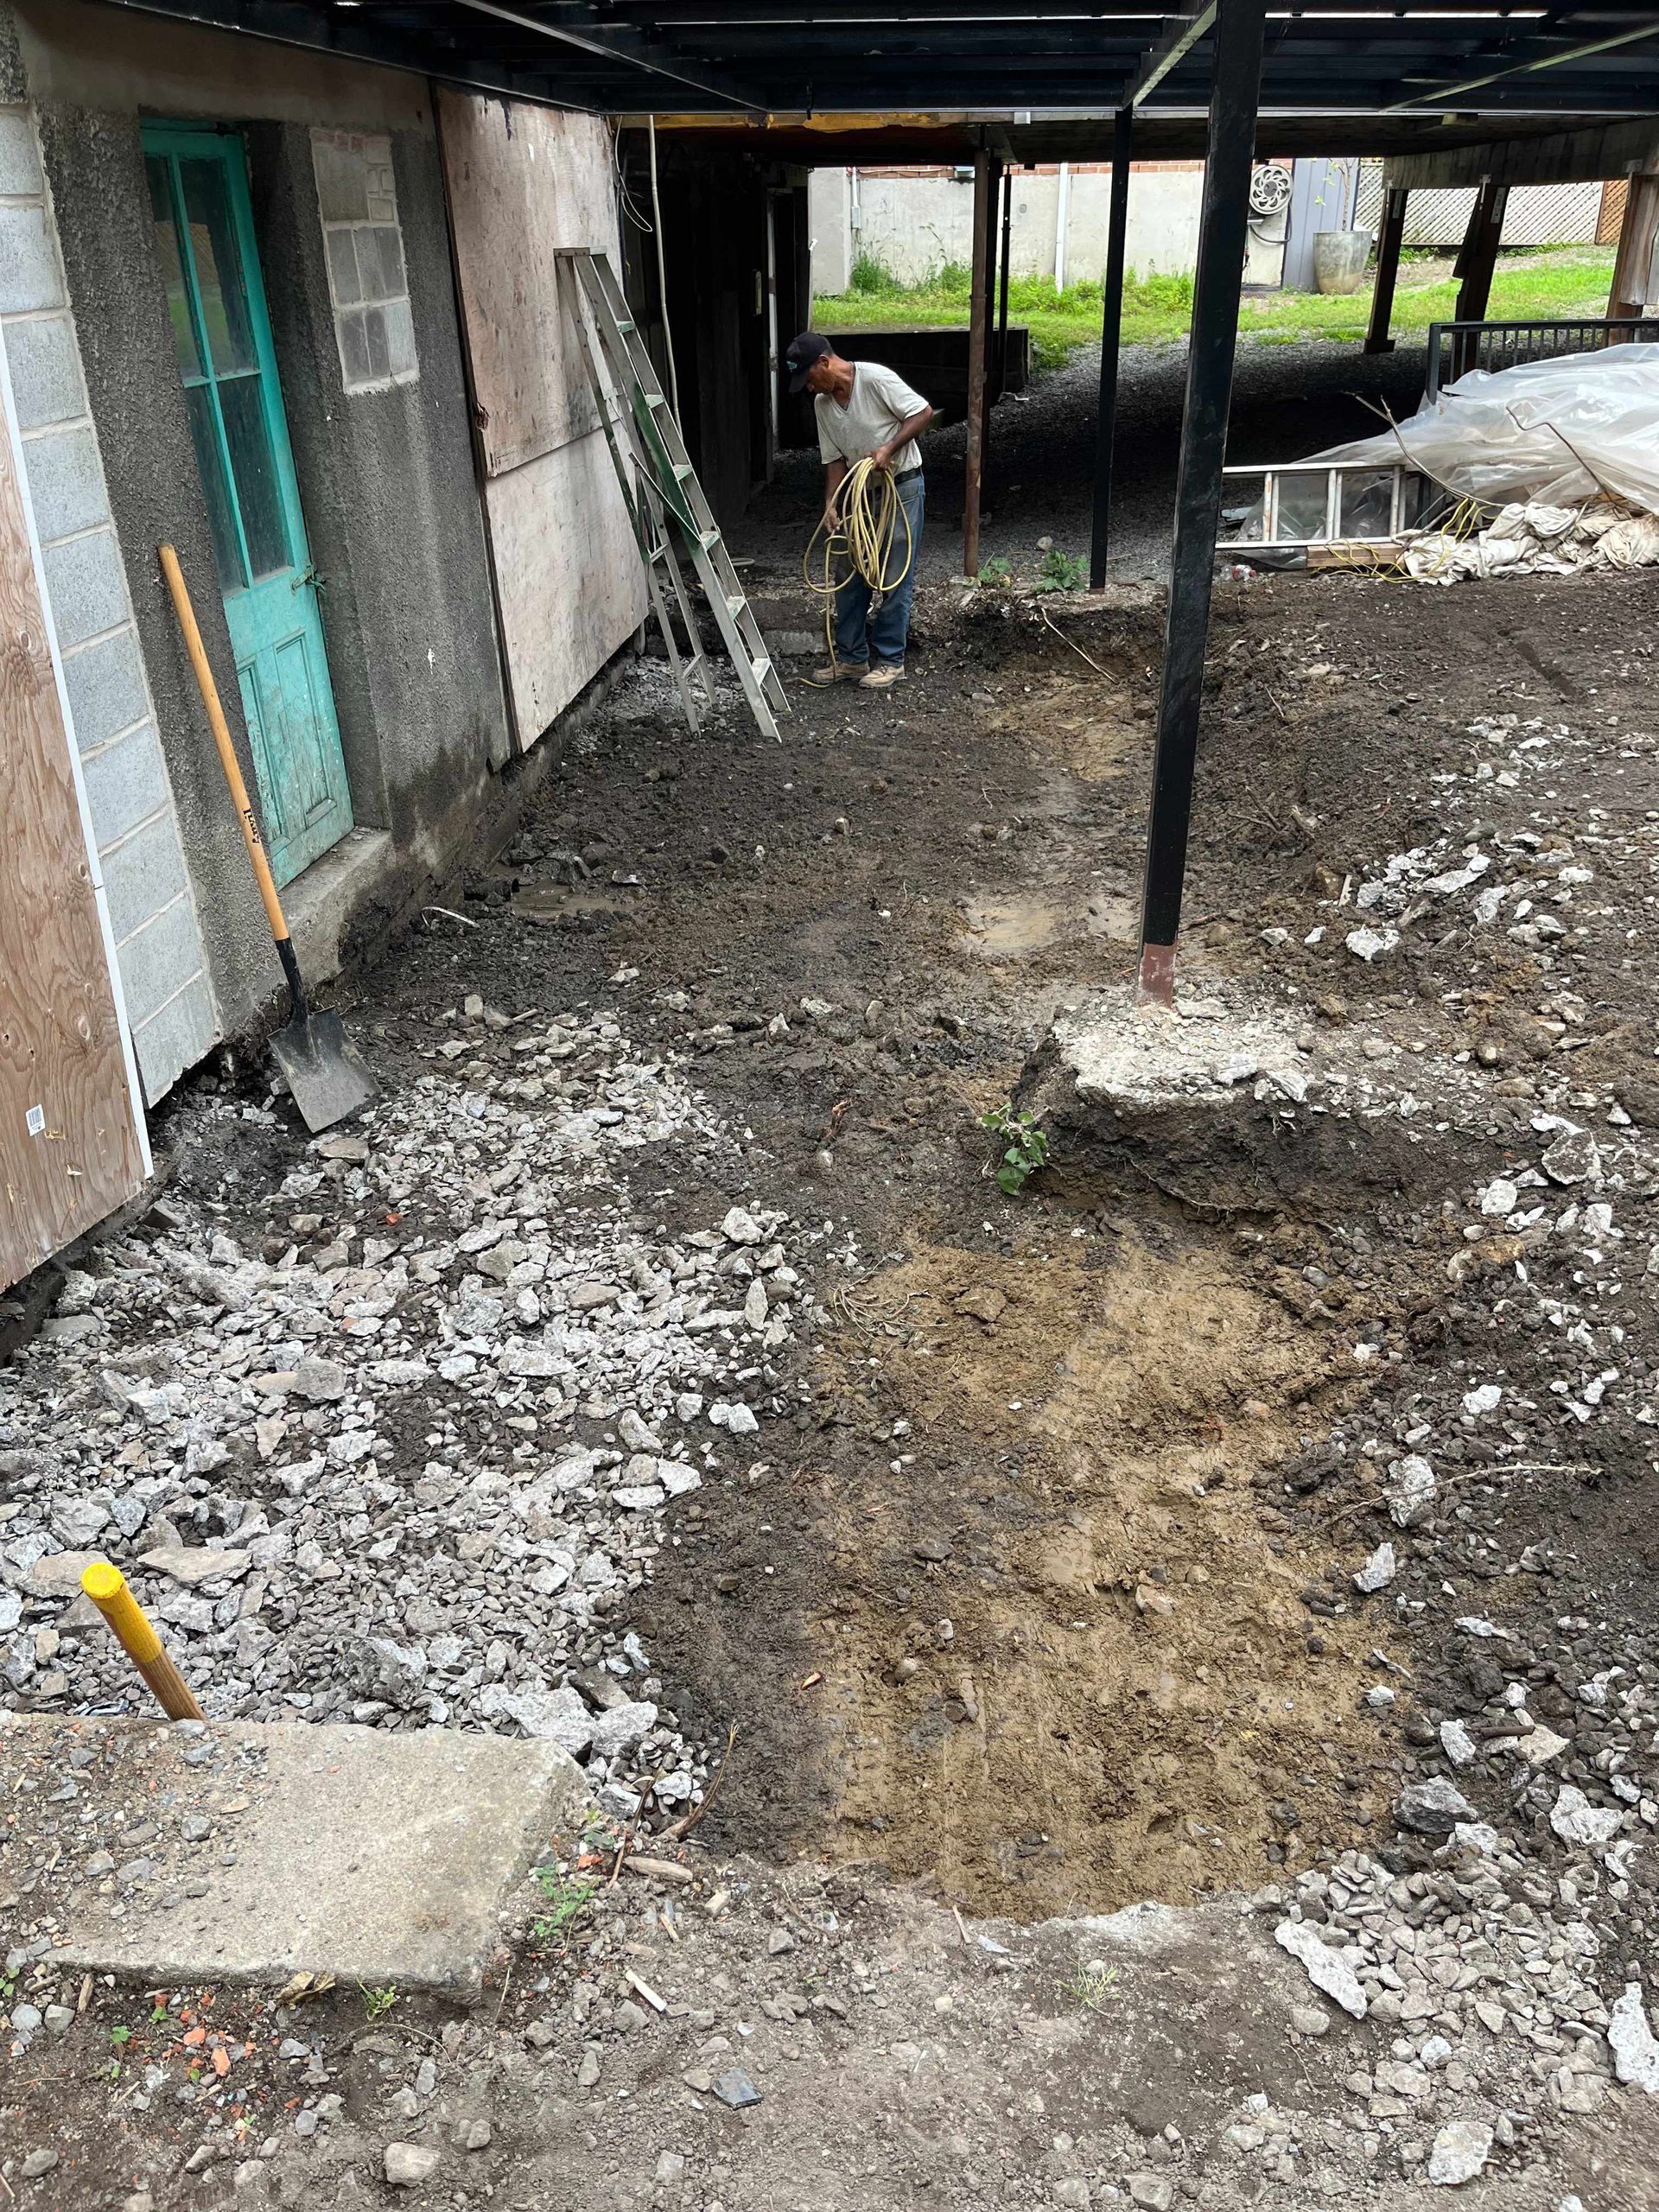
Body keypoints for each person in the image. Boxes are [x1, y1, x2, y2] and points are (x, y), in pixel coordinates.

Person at [785, 332, 934, 690]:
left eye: (809, 379)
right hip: (860, 493)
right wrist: (831, 502)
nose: (808, 388)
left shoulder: (876, 379)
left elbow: (922, 411)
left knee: (893, 573)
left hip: (901, 486)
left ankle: (891, 661)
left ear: (824, 362)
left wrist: (889, 448)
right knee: (849, 573)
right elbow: (834, 458)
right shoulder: (823, 405)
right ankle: (852, 659)